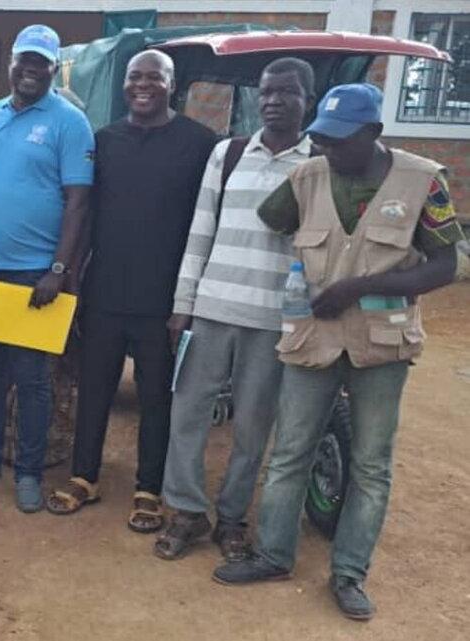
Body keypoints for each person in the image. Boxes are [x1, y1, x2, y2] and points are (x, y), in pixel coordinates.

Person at [213, 84, 469, 621]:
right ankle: (273, 555)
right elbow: (272, 221)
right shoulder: (306, 177)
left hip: (382, 344)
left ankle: (349, 573)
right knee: (290, 452)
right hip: (315, 338)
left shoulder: (423, 180)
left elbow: (446, 266)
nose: (328, 149)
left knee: (371, 465)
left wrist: (359, 286)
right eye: (322, 139)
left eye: (340, 140)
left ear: (373, 132)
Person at [153, 58, 317, 561]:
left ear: (307, 101)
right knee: (187, 414)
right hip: (210, 310)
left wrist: (300, 321)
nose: (273, 101)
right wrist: (183, 304)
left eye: (286, 92)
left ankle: (230, 518)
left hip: (271, 320)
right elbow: (199, 231)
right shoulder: (228, 154)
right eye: (266, 92)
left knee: (252, 425)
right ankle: (186, 512)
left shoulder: (318, 165)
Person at [50, 50, 217, 532]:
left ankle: (149, 488)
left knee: (156, 398)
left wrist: (188, 301)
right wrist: (73, 279)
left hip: (164, 301)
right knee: (94, 390)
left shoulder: (200, 144)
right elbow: (85, 214)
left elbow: (206, 223)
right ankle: (84, 476)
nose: (142, 85)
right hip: (104, 293)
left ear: (172, 84)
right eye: (134, 76)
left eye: (154, 77)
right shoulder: (104, 141)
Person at [0, 25, 94, 513]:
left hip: (35, 277)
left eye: (41, 62)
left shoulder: (70, 122)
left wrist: (59, 268)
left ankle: (27, 472)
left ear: (53, 69)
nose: (30, 69)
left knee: (31, 380)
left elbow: (78, 201)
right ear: (11, 63)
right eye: (24, 59)